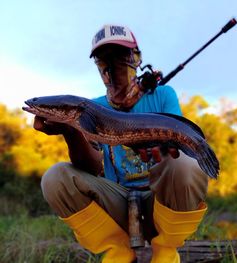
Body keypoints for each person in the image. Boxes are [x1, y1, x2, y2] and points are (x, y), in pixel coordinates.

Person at [34, 24, 209, 263]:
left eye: (120, 56)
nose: (111, 66)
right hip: (115, 201)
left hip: (157, 202)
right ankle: (118, 253)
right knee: (55, 178)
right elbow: (92, 168)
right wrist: (70, 131)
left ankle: (165, 251)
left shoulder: (163, 95)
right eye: (103, 59)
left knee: (187, 166)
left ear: (136, 58)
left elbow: (178, 151)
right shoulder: (91, 107)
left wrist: (167, 150)